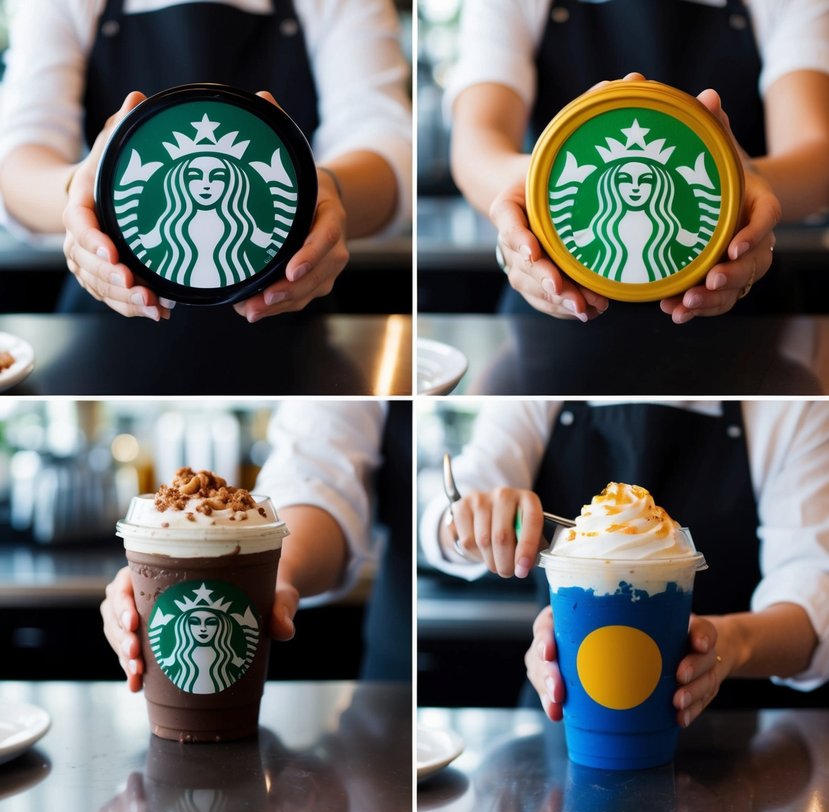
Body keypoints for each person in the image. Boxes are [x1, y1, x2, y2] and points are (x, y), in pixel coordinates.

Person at [0, 0, 412, 322]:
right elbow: (17, 156)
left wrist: (326, 191)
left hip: (291, 314)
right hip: (108, 324)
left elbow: (385, 141)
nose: (206, 183)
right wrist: (81, 195)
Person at [420, 400, 829, 719]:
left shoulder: (794, 404)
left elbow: (814, 590)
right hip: (562, 716)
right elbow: (453, 509)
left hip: (737, 734)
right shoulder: (539, 382)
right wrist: (468, 523)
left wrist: (730, 645)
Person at [448, 0, 829, 323]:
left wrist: (743, 183)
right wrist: (537, 191)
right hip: (554, 304)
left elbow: (817, 150)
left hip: (742, 309)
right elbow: (476, 145)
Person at [102, 399, 411, 687]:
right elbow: (316, 472)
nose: (202, 628)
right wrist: (273, 575)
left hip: (398, 668)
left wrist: (270, 572)